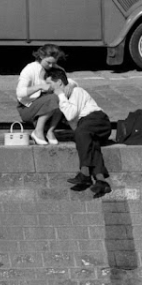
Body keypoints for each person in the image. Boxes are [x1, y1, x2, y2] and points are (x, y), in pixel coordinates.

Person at [44, 67, 112, 199]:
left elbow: (70, 115)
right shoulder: (64, 98)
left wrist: (61, 95)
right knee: (91, 144)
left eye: (50, 83)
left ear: (58, 83)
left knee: (82, 132)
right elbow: (74, 125)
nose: (48, 87)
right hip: (86, 128)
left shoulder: (77, 91)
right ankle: (101, 180)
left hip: (98, 120)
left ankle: (85, 173)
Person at [16, 44, 67, 145]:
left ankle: (50, 131)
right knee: (54, 98)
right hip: (28, 108)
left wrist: (69, 86)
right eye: (48, 63)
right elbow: (20, 93)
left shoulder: (56, 69)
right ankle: (38, 131)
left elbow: (66, 83)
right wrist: (39, 87)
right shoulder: (30, 69)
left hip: (46, 107)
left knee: (61, 97)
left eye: (54, 63)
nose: (51, 66)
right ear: (41, 57)